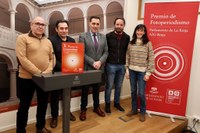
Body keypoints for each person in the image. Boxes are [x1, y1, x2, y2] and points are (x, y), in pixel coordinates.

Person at [15, 16, 54, 133]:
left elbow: (52, 58)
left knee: (43, 104)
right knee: (24, 106)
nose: (40, 26)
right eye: (37, 23)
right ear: (31, 25)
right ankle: (21, 130)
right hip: (26, 79)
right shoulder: (22, 38)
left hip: (44, 78)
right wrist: (38, 72)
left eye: (43, 24)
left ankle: (40, 127)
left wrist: (47, 72)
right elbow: (22, 58)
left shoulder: (48, 41)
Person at [78, 16, 108, 121]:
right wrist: (93, 62)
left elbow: (106, 52)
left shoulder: (103, 37)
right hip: (87, 68)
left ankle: (96, 107)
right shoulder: (82, 36)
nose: (95, 26)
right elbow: (81, 52)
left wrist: (100, 62)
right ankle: (83, 109)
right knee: (85, 90)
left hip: (99, 68)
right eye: (93, 23)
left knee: (97, 89)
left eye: (97, 24)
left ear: (99, 25)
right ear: (89, 24)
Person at [49, 20, 76, 128]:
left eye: (66, 28)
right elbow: (52, 57)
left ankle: (67, 112)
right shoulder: (51, 40)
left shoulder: (72, 40)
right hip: (56, 73)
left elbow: (74, 56)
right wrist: (64, 67)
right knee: (54, 96)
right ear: (56, 29)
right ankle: (54, 117)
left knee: (67, 94)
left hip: (69, 73)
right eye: (61, 28)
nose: (64, 30)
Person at [125, 24, 155, 122]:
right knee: (133, 91)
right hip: (132, 71)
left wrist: (148, 73)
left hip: (142, 72)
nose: (139, 32)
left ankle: (142, 112)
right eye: (138, 30)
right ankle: (134, 110)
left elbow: (151, 58)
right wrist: (127, 70)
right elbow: (127, 57)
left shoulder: (148, 43)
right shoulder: (131, 43)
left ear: (144, 32)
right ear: (135, 31)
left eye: (142, 31)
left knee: (141, 93)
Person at [104, 18, 130, 113]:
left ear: (123, 26)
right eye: (117, 24)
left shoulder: (127, 37)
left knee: (119, 86)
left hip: (122, 66)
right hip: (110, 65)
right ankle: (107, 104)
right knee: (109, 86)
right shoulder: (108, 36)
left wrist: (127, 66)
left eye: (121, 24)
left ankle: (116, 103)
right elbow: (105, 51)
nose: (119, 26)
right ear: (114, 25)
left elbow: (127, 52)